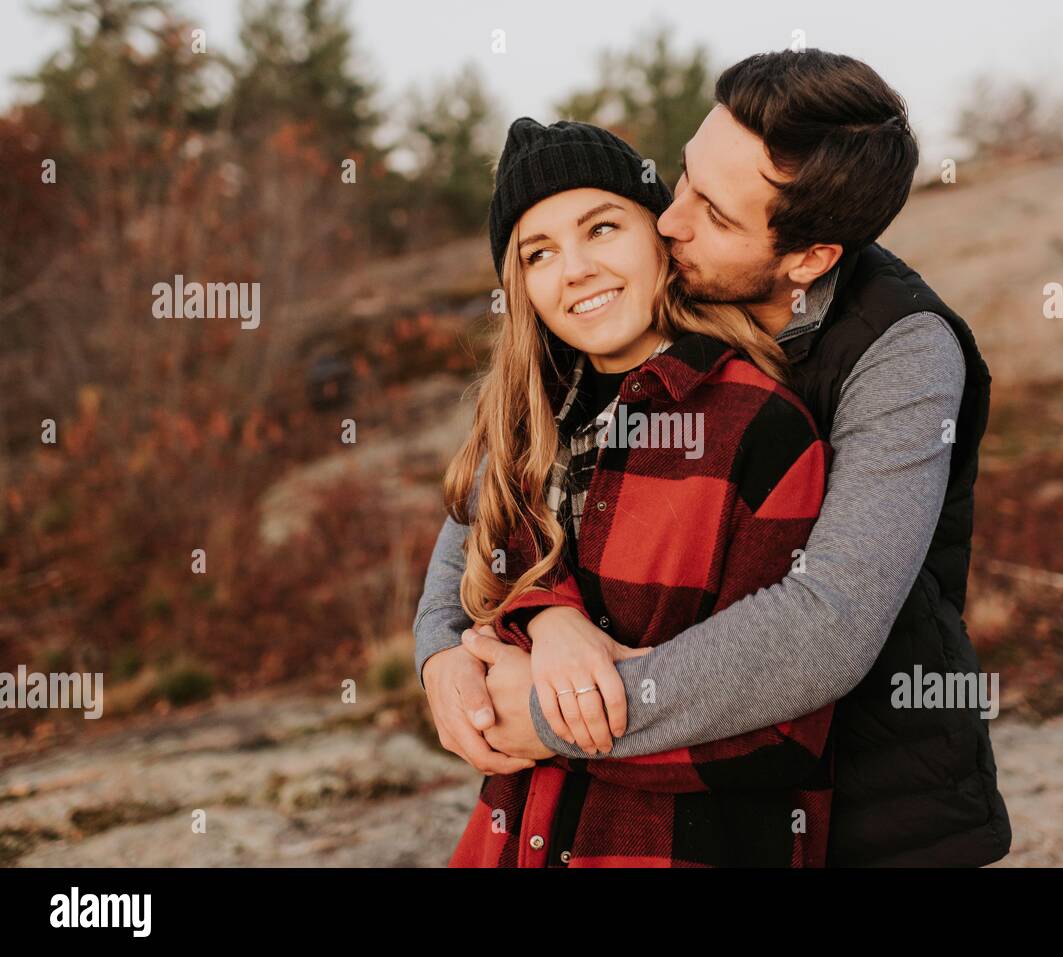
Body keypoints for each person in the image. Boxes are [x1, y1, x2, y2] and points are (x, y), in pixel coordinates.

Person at [418, 49, 1013, 867]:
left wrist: (564, 709)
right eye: (685, 176)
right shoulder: (663, 282)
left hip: (871, 791)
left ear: (809, 257)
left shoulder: (901, 352)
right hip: (627, 792)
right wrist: (447, 648)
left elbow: (826, 623)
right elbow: (499, 491)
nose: (670, 219)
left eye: (716, 213)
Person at [444, 117, 834, 867]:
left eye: (601, 227)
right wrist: (550, 619)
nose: (576, 268)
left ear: (663, 235)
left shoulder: (758, 431)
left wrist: (554, 719)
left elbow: (783, 727)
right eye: (540, 252)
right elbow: (490, 614)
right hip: (520, 839)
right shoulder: (531, 430)